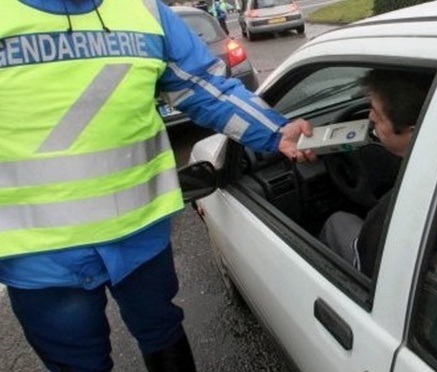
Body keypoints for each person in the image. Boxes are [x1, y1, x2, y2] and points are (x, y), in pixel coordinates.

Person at [0, 1, 314, 371]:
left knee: (163, 334)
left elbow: (201, 86)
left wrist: (275, 131)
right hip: (40, 253)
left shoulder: (145, 11)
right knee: (78, 364)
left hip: (140, 234)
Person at [319, 69, 432, 277]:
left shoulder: (391, 208)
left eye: (378, 117)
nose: (370, 117)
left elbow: (366, 264)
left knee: (337, 221)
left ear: (413, 132)